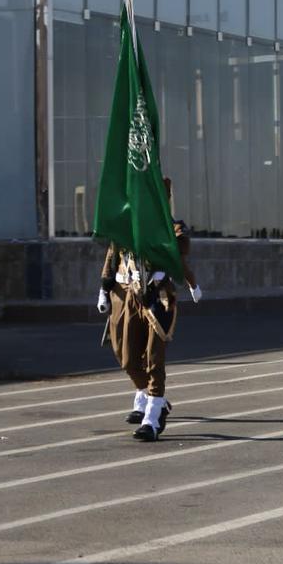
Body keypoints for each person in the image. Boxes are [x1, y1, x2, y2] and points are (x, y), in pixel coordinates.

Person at [97, 179, 199, 441]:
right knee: (127, 358)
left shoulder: (171, 227)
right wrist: (104, 289)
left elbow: (181, 249)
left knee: (154, 358)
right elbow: (112, 256)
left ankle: (152, 417)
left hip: (158, 298)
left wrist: (192, 283)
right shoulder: (125, 227)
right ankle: (155, 400)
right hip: (125, 295)